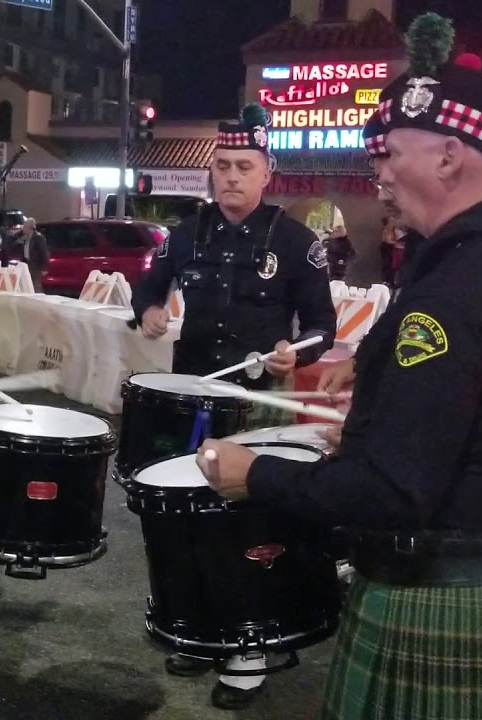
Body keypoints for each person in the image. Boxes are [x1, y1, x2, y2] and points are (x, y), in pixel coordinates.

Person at [193, 16, 482, 720]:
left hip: (442, 601)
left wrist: (257, 475)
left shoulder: (462, 287)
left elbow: (392, 495)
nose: (380, 170)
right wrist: (375, 407)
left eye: (392, 151)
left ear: (450, 156)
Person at [129, 103, 337, 711]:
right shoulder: (185, 233)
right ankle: (200, 628)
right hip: (193, 394)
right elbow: (150, 283)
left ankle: (248, 646)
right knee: (189, 519)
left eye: (243, 166)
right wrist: (149, 310)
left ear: (267, 172)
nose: (230, 177)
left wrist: (292, 354)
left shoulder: (298, 241)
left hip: (259, 398)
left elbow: (322, 325)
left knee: (247, 524)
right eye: (221, 166)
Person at [19, 217, 50, 292]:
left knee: (36, 285)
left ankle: (39, 299)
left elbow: (44, 253)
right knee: (28, 285)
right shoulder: (26, 238)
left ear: (29, 227)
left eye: (25, 226)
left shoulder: (38, 238)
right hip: (27, 264)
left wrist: (44, 268)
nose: (23, 228)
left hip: (36, 266)